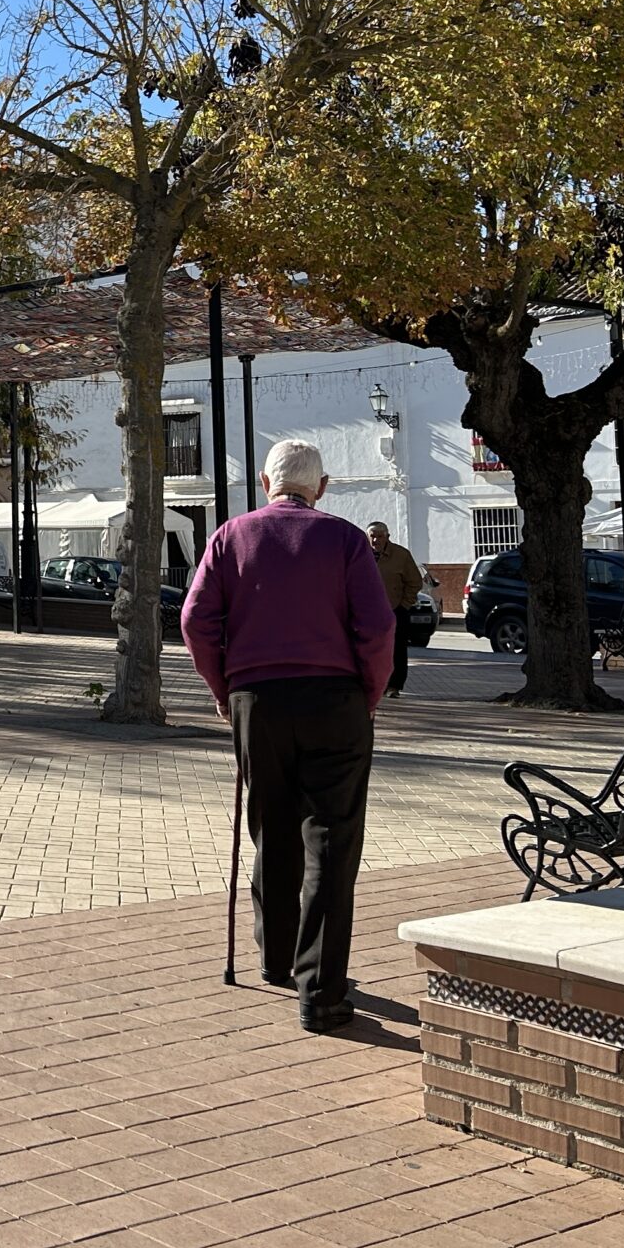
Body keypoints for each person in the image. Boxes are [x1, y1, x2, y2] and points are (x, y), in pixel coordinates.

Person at [180, 438, 395, 1033]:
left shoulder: (231, 536)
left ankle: (276, 959)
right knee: (330, 839)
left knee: (271, 824)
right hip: (336, 700)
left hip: (259, 698)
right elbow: (378, 629)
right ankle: (320, 991)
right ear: (320, 488)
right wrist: (368, 696)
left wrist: (225, 690)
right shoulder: (347, 539)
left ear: (263, 482)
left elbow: (196, 620)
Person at [367, 521, 426, 697]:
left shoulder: (401, 555)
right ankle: (373, 684)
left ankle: (394, 686)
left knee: (397, 649)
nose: (375, 540)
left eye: (379, 536)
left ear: (387, 537)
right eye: (372, 536)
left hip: (394, 610)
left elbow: (414, 582)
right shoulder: (361, 554)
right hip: (368, 612)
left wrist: (404, 605)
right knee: (370, 649)